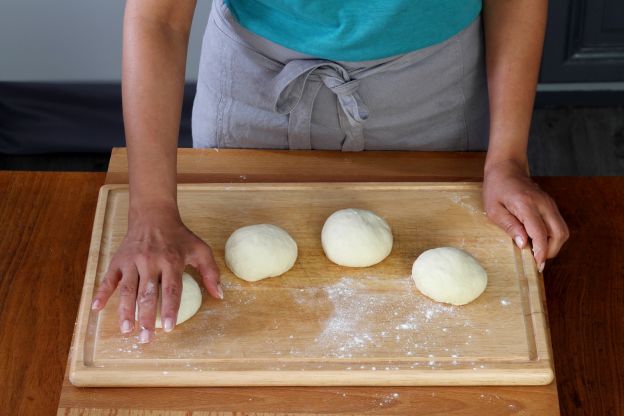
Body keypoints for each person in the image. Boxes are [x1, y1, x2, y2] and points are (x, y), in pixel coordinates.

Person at [91, 0, 569, 344]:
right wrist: (152, 208)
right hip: (256, 84)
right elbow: (159, 18)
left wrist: (507, 159)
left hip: (433, 87)